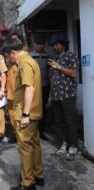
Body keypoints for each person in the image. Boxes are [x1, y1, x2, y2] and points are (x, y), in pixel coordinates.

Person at [6, 39, 44, 190]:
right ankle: (38, 176)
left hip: (26, 113)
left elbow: (29, 88)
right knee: (34, 145)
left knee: (25, 148)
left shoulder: (24, 63)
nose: (9, 59)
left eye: (8, 56)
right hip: (33, 111)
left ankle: (28, 182)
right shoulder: (31, 61)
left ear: (13, 53)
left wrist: (25, 114)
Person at [48, 33, 79, 161]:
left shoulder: (71, 56)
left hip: (67, 95)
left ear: (63, 44)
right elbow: (52, 78)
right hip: (56, 96)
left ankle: (73, 146)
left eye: (57, 44)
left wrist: (59, 66)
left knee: (70, 122)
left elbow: (74, 73)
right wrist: (50, 95)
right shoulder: (54, 58)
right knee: (60, 122)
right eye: (54, 45)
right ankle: (64, 144)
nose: (55, 46)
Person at [30, 36, 50, 141]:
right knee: (33, 109)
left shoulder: (47, 55)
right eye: (37, 44)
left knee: (43, 109)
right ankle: (33, 132)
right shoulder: (30, 56)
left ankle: (41, 132)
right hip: (33, 87)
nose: (39, 46)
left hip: (45, 86)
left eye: (41, 44)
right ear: (34, 44)